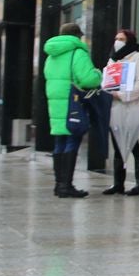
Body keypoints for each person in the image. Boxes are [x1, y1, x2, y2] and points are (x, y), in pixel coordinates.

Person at [42, 22, 103, 198]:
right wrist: (98, 74)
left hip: (55, 103)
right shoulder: (78, 52)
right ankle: (66, 185)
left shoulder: (51, 55)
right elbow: (88, 79)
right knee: (72, 139)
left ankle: (59, 184)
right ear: (77, 36)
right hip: (72, 102)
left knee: (59, 141)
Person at [103, 29, 139, 196]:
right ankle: (118, 183)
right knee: (117, 145)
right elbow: (107, 81)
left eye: (122, 39)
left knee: (133, 145)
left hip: (131, 108)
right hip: (114, 108)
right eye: (116, 38)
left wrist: (122, 95)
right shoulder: (112, 59)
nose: (118, 41)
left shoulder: (138, 58)